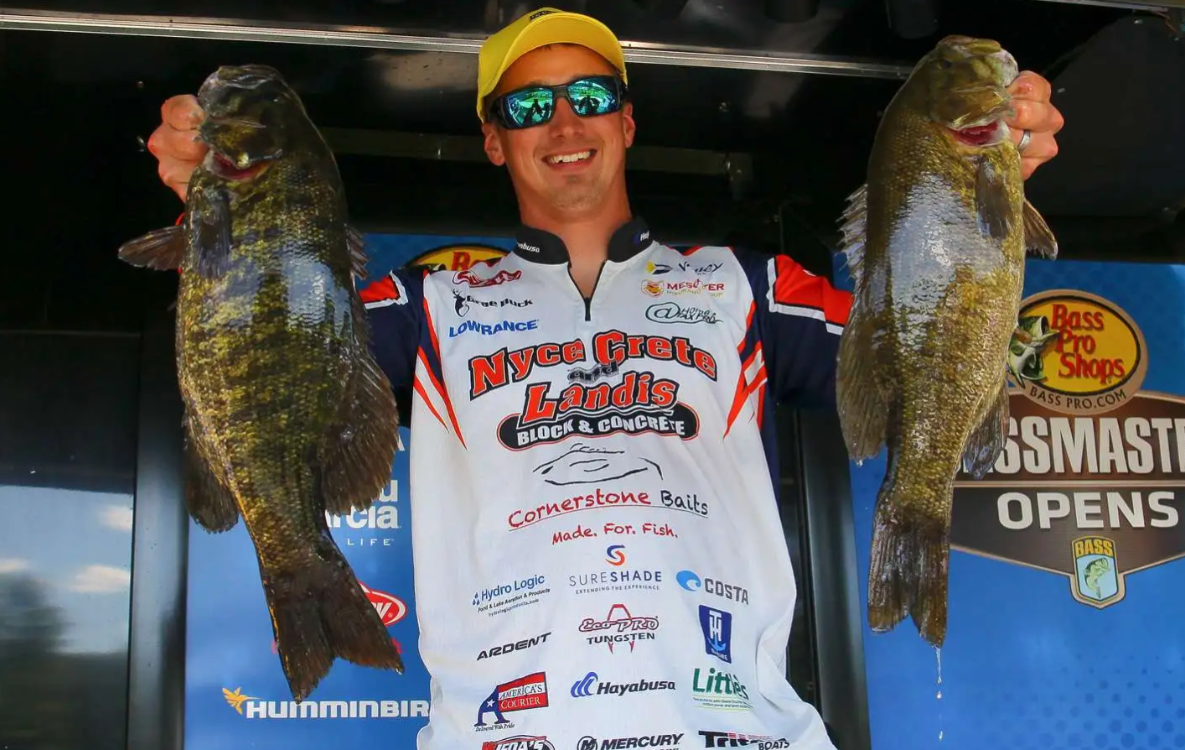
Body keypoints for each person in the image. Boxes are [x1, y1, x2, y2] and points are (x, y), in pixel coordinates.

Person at [148, 8, 1064, 750]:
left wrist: (972, 216)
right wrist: (228, 226)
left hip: (743, 733)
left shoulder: (746, 286)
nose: (562, 121)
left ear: (626, 121)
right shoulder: (424, 301)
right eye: (526, 106)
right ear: (493, 142)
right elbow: (263, 355)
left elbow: (919, 355)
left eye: (589, 93)